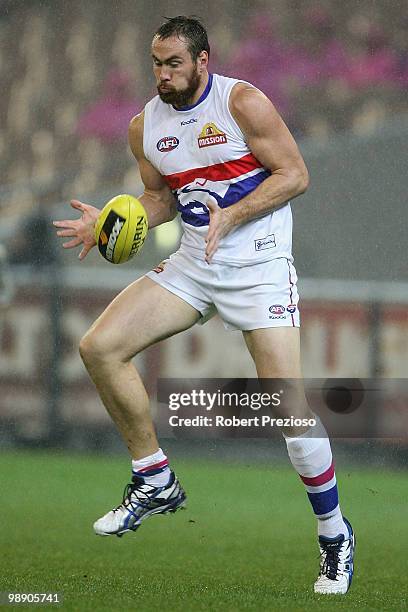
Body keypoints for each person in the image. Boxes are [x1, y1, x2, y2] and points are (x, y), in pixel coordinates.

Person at [53, 16, 355, 595]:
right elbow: (159, 200)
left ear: (203, 61)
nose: (162, 75)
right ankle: (154, 476)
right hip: (194, 265)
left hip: (260, 265)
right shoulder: (146, 125)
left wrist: (234, 214)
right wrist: (115, 218)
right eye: (156, 64)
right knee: (100, 347)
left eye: (173, 64)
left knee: (287, 410)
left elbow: (295, 174)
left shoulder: (243, 102)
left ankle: (334, 534)